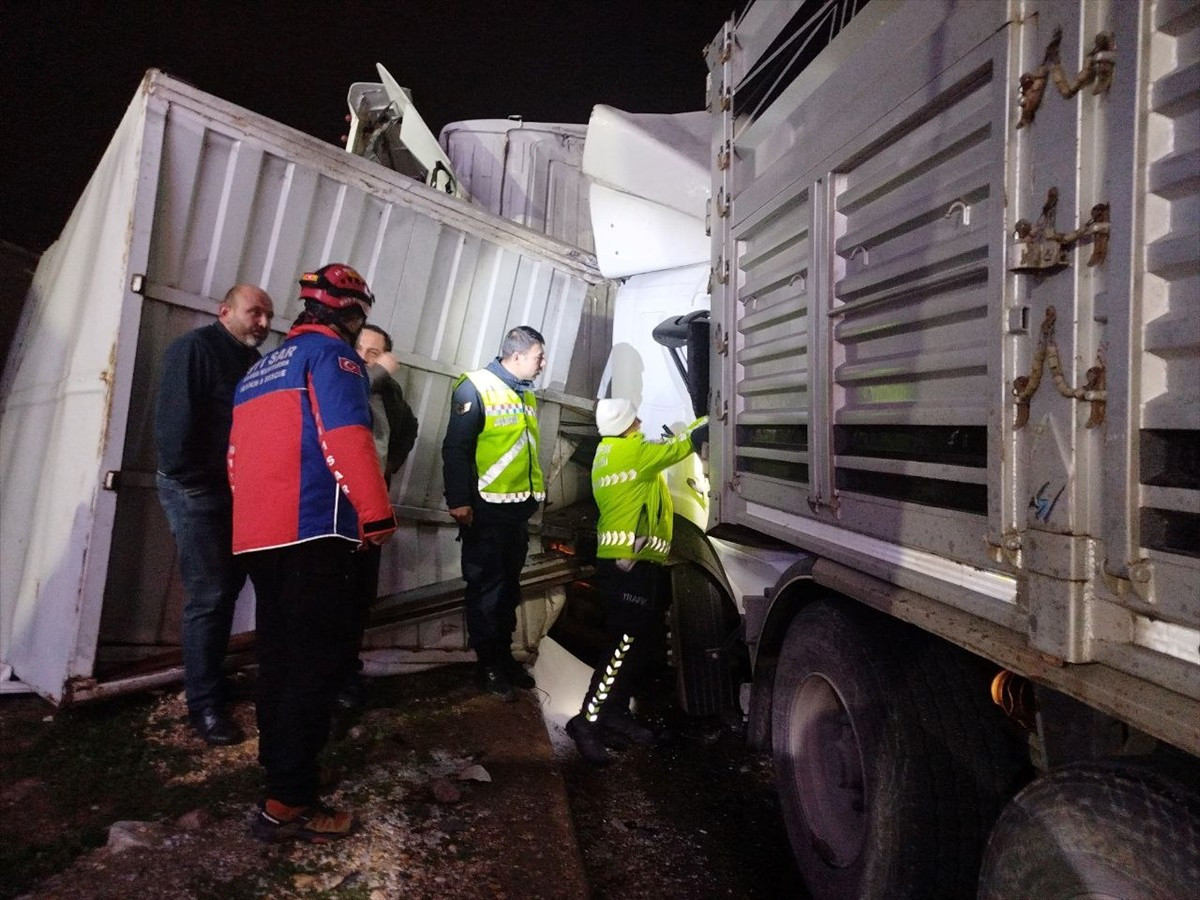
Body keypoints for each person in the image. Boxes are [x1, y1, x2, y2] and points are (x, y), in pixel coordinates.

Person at [228, 263, 397, 842]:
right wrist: (376, 515)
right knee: (312, 668)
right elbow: (348, 436)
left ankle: (281, 769)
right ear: (348, 314)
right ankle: (289, 802)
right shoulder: (335, 357)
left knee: (278, 660)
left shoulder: (259, 370)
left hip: (258, 537)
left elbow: (235, 460)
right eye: (359, 316)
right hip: (313, 537)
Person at [155, 284, 274, 746]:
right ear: (225, 311)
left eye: (267, 316)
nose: (262, 323)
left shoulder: (251, 362)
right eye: (254, 312)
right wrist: (206, 486)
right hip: (198, 491)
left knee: (227, 589)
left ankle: (211, 682)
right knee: (210, 594)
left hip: (232, 494)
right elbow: (174, 437)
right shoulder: (194, 350)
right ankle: (203, 705)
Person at [565, 399, 708, 766]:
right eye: (636, 418)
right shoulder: (633, 452)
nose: (642, 421)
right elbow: (680, 447)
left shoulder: (608, 451)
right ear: (627, 425)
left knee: (638, 644)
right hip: (629, 564)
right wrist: (712, 417)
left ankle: (614, 715)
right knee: (622, 647)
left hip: (632, 561)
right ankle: (587, 722)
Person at [441, 325, 547, 700]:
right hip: (485, 511)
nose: (542, 364)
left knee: (508, 590)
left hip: (516, 510)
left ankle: (504, 658)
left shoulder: (524, 394)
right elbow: (455, 448)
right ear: (516, 356)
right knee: (486, 590)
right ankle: (488, 665)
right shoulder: (475, 386)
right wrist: (459, 501)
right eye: (538, 357)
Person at [336, 323, 419, 710]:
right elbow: (349, 391)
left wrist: (386, 472)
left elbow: (409, 428)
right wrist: (379, 370)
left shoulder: (387, 390)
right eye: (361, 349)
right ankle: (320, 676)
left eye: (374, 354)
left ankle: (345, 675)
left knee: (357, 597)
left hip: (371, 511)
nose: (365, 358)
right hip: (334, 510)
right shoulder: (339, 375)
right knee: (327, 597)